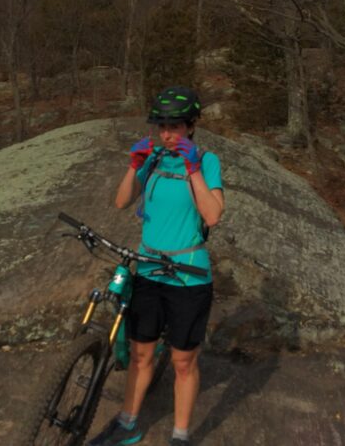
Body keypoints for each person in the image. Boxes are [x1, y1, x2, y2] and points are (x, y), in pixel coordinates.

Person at [87, 86, 224, 445]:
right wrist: (134, 167)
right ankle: (127, 421)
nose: (166, 134)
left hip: (189, 276)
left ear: (192, 126)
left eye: (175, 126)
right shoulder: (154, 160)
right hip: (148, 271)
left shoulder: (207, 161)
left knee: (182, 362)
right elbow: (120, 202)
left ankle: (179, 436)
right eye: (161, 126)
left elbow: (213, 214)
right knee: (141, 353)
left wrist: (193, 170)